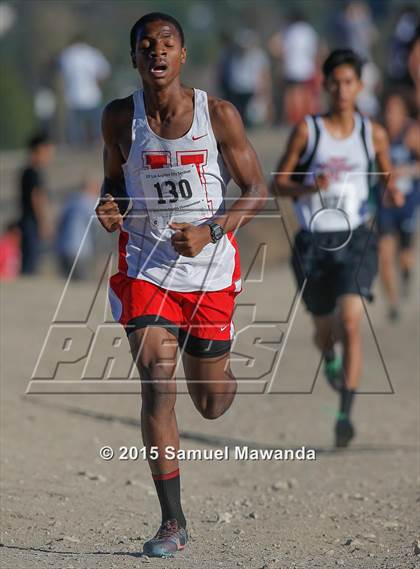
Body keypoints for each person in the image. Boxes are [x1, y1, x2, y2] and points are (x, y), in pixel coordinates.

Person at [95, 12, 267, 557]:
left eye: (167, 43)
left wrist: (213, 228)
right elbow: (114, 179)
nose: (157, 53)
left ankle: (219, 365)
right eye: (146, 46)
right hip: (147, 266)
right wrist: (110, 204)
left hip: (210, 270)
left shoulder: (218, 115)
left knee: (211, 403)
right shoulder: (120, 118)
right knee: (156, 376)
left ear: (183, 54)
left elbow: (256, 188)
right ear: (134, 59)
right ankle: (173, 522)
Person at [272, 49, 403, 448]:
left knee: (351, 321)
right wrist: (309, 187)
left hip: (357, 237)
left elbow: (385, 174)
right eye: (336, 82)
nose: (343, 90)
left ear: (360, 87)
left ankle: (345, 412)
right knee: (325, 330)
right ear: (325, 86)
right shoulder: (308, 131)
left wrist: (392, 189)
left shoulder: (371, 132)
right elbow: (278, 182)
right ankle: (329, 359)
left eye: (350, 82)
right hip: (313, 241)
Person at [377, 92, 419, 320]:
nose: (391, 115)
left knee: (404, 256)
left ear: (404, 113)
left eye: (395, 111)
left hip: (408, 203)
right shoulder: (378, 135)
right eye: (388, 110)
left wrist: (407, 171)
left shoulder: (411, 134)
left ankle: (406, 273)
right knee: (384, 257)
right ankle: (393, 305)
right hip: (385, 205)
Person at [59, 35, 110, 145]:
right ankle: (97, 144)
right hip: (92, 94)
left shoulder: (67, 55)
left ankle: (77, 146)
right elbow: (104, 71)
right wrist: (98, 82)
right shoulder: (92, 53)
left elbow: (63, 75)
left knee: (76, 128)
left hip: (73, 96)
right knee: (96, 125)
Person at [19, 132, 54, 275]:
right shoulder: (32, 172)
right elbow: (37, 198)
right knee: (30, 262)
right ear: (39, 150)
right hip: (31, 223)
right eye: (47, 151)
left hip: (29, 222)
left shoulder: (29, 172)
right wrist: (43, 222)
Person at [55, 177, 100, 280]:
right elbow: (102, 225)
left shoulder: (71, 202)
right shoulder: (89, 203)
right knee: (80, 284)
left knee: (67, 285)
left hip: (63, 249)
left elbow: (59, 223)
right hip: (80, 252)